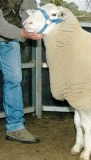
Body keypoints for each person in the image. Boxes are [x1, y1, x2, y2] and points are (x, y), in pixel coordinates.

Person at [0, 0, 43, 143]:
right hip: (10, 33)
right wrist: (22, 33)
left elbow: (28, 8)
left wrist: (29, 26)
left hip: (9, 41)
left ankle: (15, 127)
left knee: (14, 79)